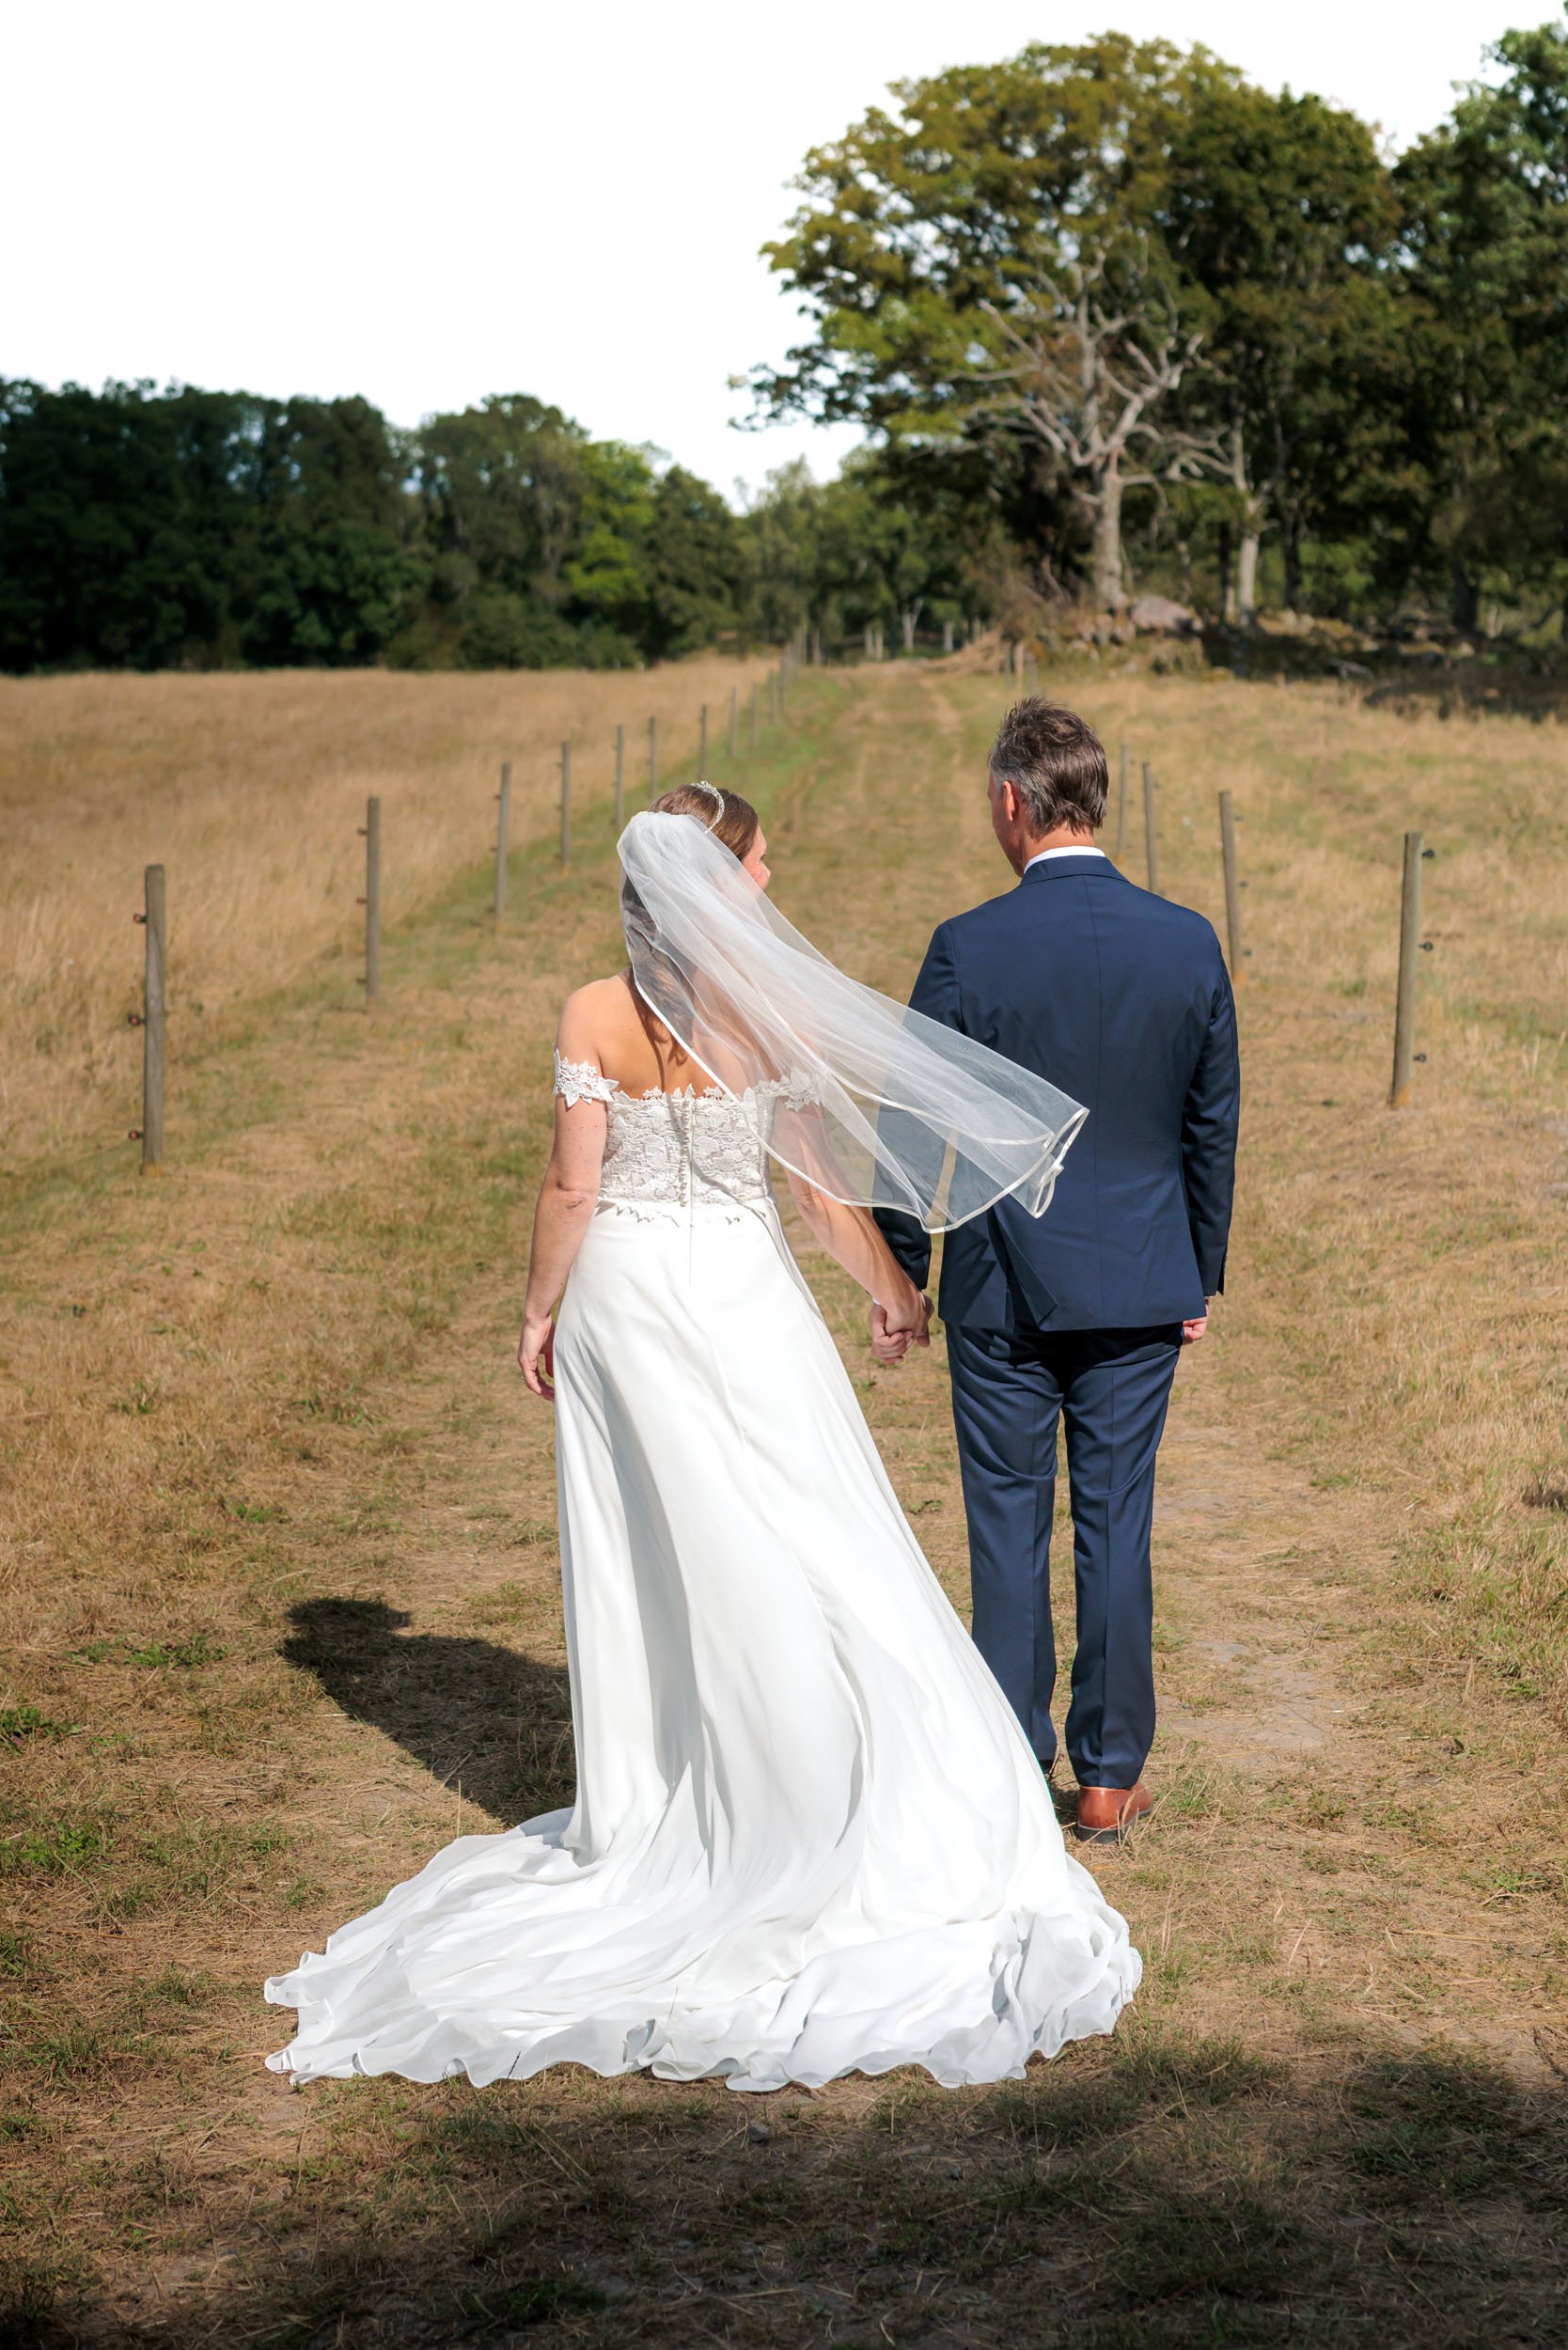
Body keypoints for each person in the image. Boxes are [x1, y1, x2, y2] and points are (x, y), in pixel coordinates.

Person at [264, 782, 1139, 2092]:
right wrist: (891, 1290)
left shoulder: (591, 1013)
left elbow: (575, 1181)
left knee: (662, 1555)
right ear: (715, 879)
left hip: (631, 1298)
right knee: (804, 1531)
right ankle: (823, 1771)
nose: (772, 881)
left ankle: (684, 1789)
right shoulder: (765, 1012)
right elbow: (814, 1186)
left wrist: (539, 1304)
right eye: (763, 861)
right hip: (741, 1295)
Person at [874, 701, 1240, 1846]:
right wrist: (1197, 1273)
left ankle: (1006, 1758)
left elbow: (908, 1123)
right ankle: (1108, 1771)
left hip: (999, 1289)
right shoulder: (1185, 940)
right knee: (1115, 1523)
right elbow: (1209, 1121)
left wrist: (900, 1268)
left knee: (1005, 1523)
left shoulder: (967, 945)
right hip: (1140, 1282)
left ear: (1008, 805)